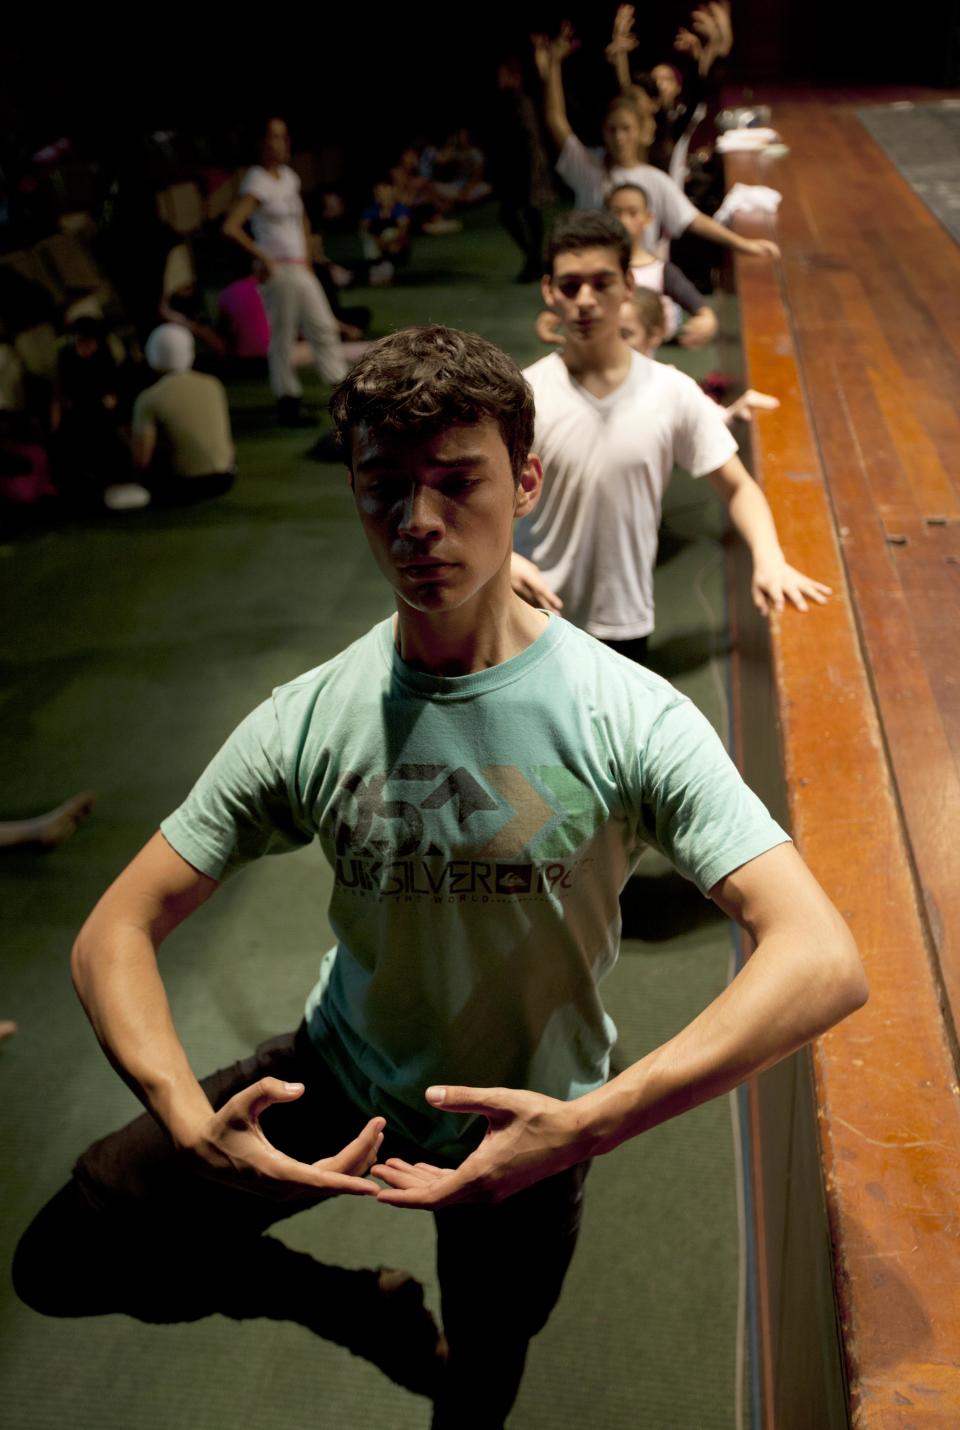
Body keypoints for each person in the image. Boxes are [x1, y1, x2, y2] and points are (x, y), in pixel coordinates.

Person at [14, 325, 866, 1430]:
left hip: (528, 1119)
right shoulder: (310, 715)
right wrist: (187, 1118)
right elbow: (113, 929)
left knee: (476, 1384)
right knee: (66, 1258)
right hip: (336, 1069)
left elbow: (821, 955)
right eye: (384, 488)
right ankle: (343, 1306)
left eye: (456, 483)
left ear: (525, 479)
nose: (417, 523)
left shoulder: (630, 716)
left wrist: (587, 1123)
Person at [511, 211, 828, 658]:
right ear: (549, 291)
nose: (585, 300)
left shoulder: (672, 391)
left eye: (601, 283)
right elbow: (469, 502)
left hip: (622, 624)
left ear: (627, 284)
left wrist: (769, 557)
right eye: (569, 285)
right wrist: (503, 562)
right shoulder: (524, 396)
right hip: (531, 619)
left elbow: (737, 487)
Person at [533, 23, 779, 263]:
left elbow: (694, 220)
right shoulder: (589, 168)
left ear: (642, 133)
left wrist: (745, 244)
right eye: (612, 129)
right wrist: (554, 64)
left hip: (644, 276)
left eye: (626, 129)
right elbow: (556, 121)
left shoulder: (654, 178)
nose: (619, 137)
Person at [223, 117, 347, 427]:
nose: (283, 143)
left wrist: (306, 258)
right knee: (283, 335)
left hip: (297, 267)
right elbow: (231, 227)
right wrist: (262, 256)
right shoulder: (256, 181)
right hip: (278, 270)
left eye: (285, 136)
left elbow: (301, 219)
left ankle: (342, 388)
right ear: (262, 144)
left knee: (323, 326)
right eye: (276, 137)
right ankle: (287, 398)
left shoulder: (289, 177)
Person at [118, 324, 234, 509]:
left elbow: (141, 462)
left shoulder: (149, 398)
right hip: (225, 478)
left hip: (182, 486)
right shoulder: (213, 384)